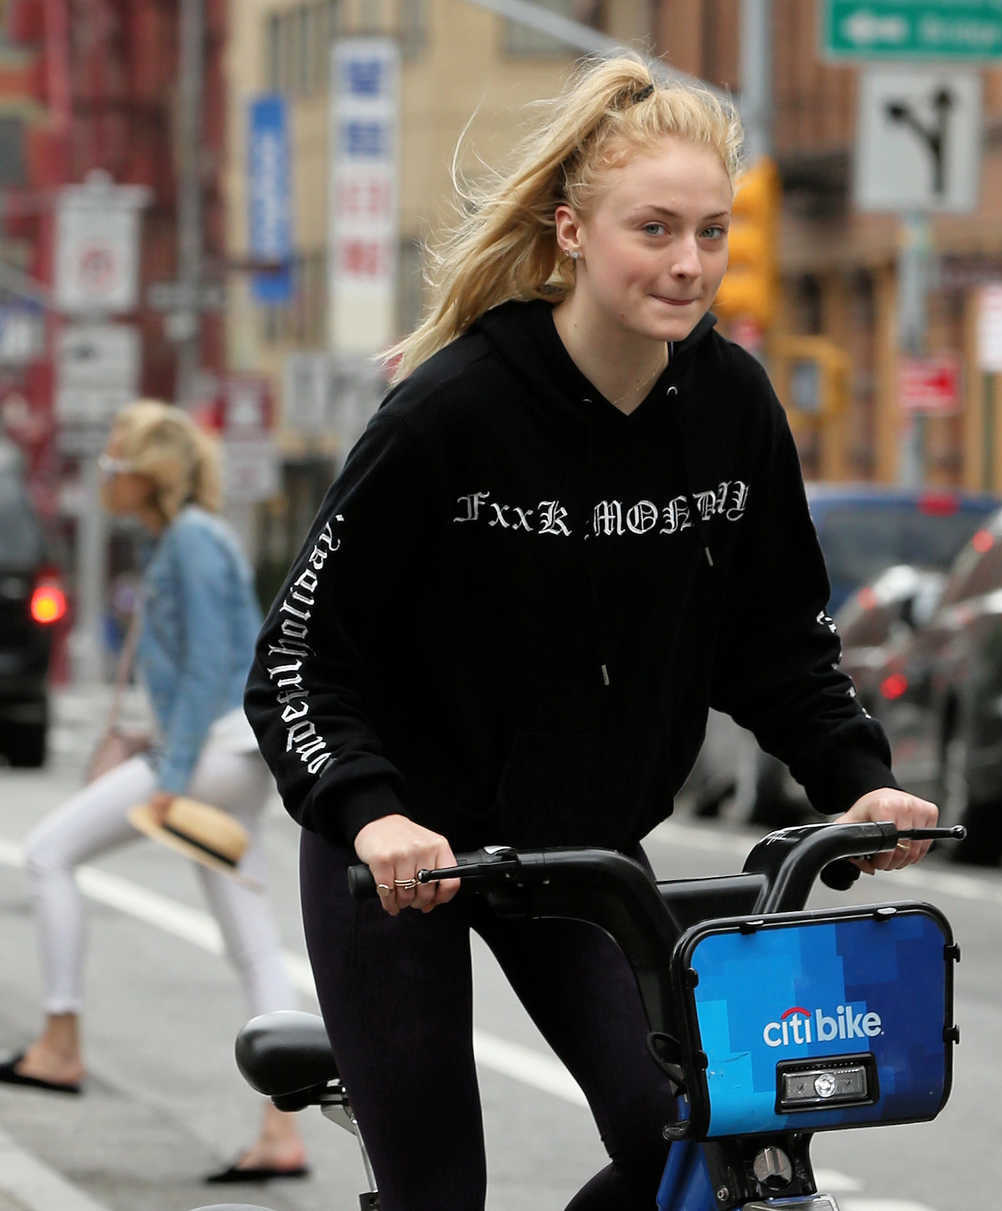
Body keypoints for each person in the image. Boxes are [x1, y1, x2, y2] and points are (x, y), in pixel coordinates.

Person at [244, 53, 938, 1211]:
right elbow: (298, 655)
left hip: (578, 850)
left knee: (694, 1145)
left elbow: (775, 639)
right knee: (439, 1192)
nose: (687, 263)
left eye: (712, 233)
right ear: (570, 230)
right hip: (406, 859)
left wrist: (857, 782)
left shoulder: (730, 407)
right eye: (653, 228)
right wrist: (374, 815)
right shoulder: (452, 410)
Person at [1, 400, 309, 1184]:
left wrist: (168, 777)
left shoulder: (193, 544)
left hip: (212, 754)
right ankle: (282, 1127)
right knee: (249, 936)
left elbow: (216, 665)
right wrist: (150, 739)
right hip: (225, 752)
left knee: (48, 853)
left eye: (116, 456)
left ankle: (60, 1042)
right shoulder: (181, 539)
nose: (105, 469)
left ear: (150, 473)